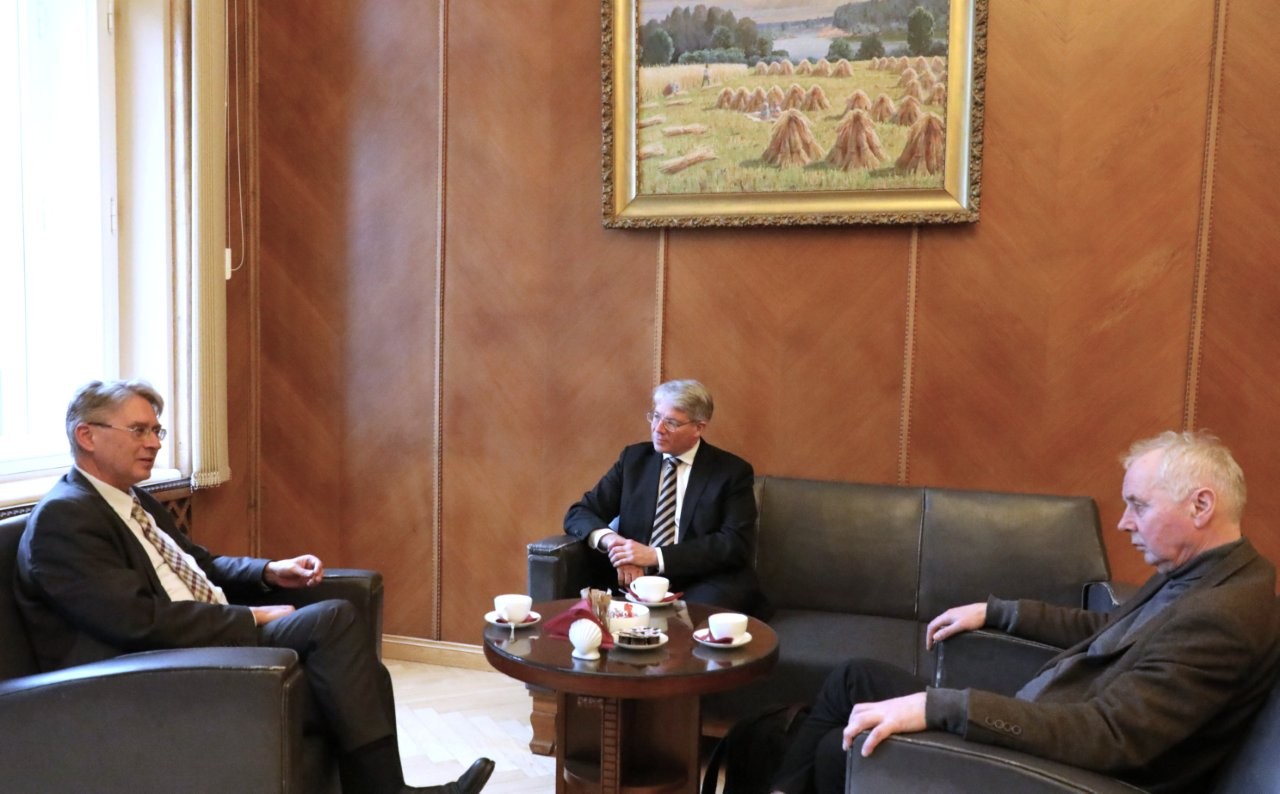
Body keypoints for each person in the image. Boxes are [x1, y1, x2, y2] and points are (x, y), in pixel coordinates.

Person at [14, 380, 494, 794]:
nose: (154, 443)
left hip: (194, 636)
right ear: (87, 436)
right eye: (139, 430)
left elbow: (200, 565)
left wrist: (269, 572)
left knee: (355, 662)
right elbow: (137, 620)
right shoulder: (66, 518)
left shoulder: (131, 499)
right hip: (143, 671)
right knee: (333, 620)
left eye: (157, 430)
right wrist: (247, 616)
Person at [770, 430, 1280, 794]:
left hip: (1055, 767)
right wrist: (998, 613)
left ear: (1200, 506)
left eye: (1139, 505)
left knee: (841, 749)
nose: (1124, 522)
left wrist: (946, 708)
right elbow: (1111, 631)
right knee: (854, 678)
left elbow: (1110, 737)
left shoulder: (1222, 615)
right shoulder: (1202, 575)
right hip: (1041, 723)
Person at [564, 379, 766, 615]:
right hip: (633, 579)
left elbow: (734, 543)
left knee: (691, 618)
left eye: (671, 422)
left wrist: (653, 556)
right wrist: (616, 546)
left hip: (702, 582)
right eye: (656, 416)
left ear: (698, 427)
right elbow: (580, 512)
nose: (658, 429)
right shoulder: (633, 460)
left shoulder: (731, 472)